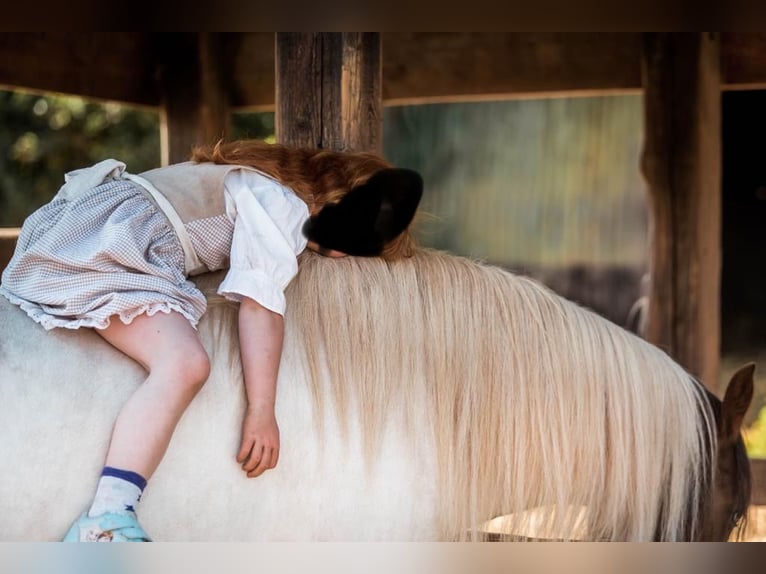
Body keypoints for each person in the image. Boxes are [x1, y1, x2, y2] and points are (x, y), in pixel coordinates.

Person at [0, 139, 423, 542]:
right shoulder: (282, 207)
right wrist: (262, 410)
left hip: (80, 230)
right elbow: (260, 307)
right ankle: (107, 518)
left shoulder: (245, 178)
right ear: (335, 199)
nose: (340, 256)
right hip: (108, 248)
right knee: (184, 364)